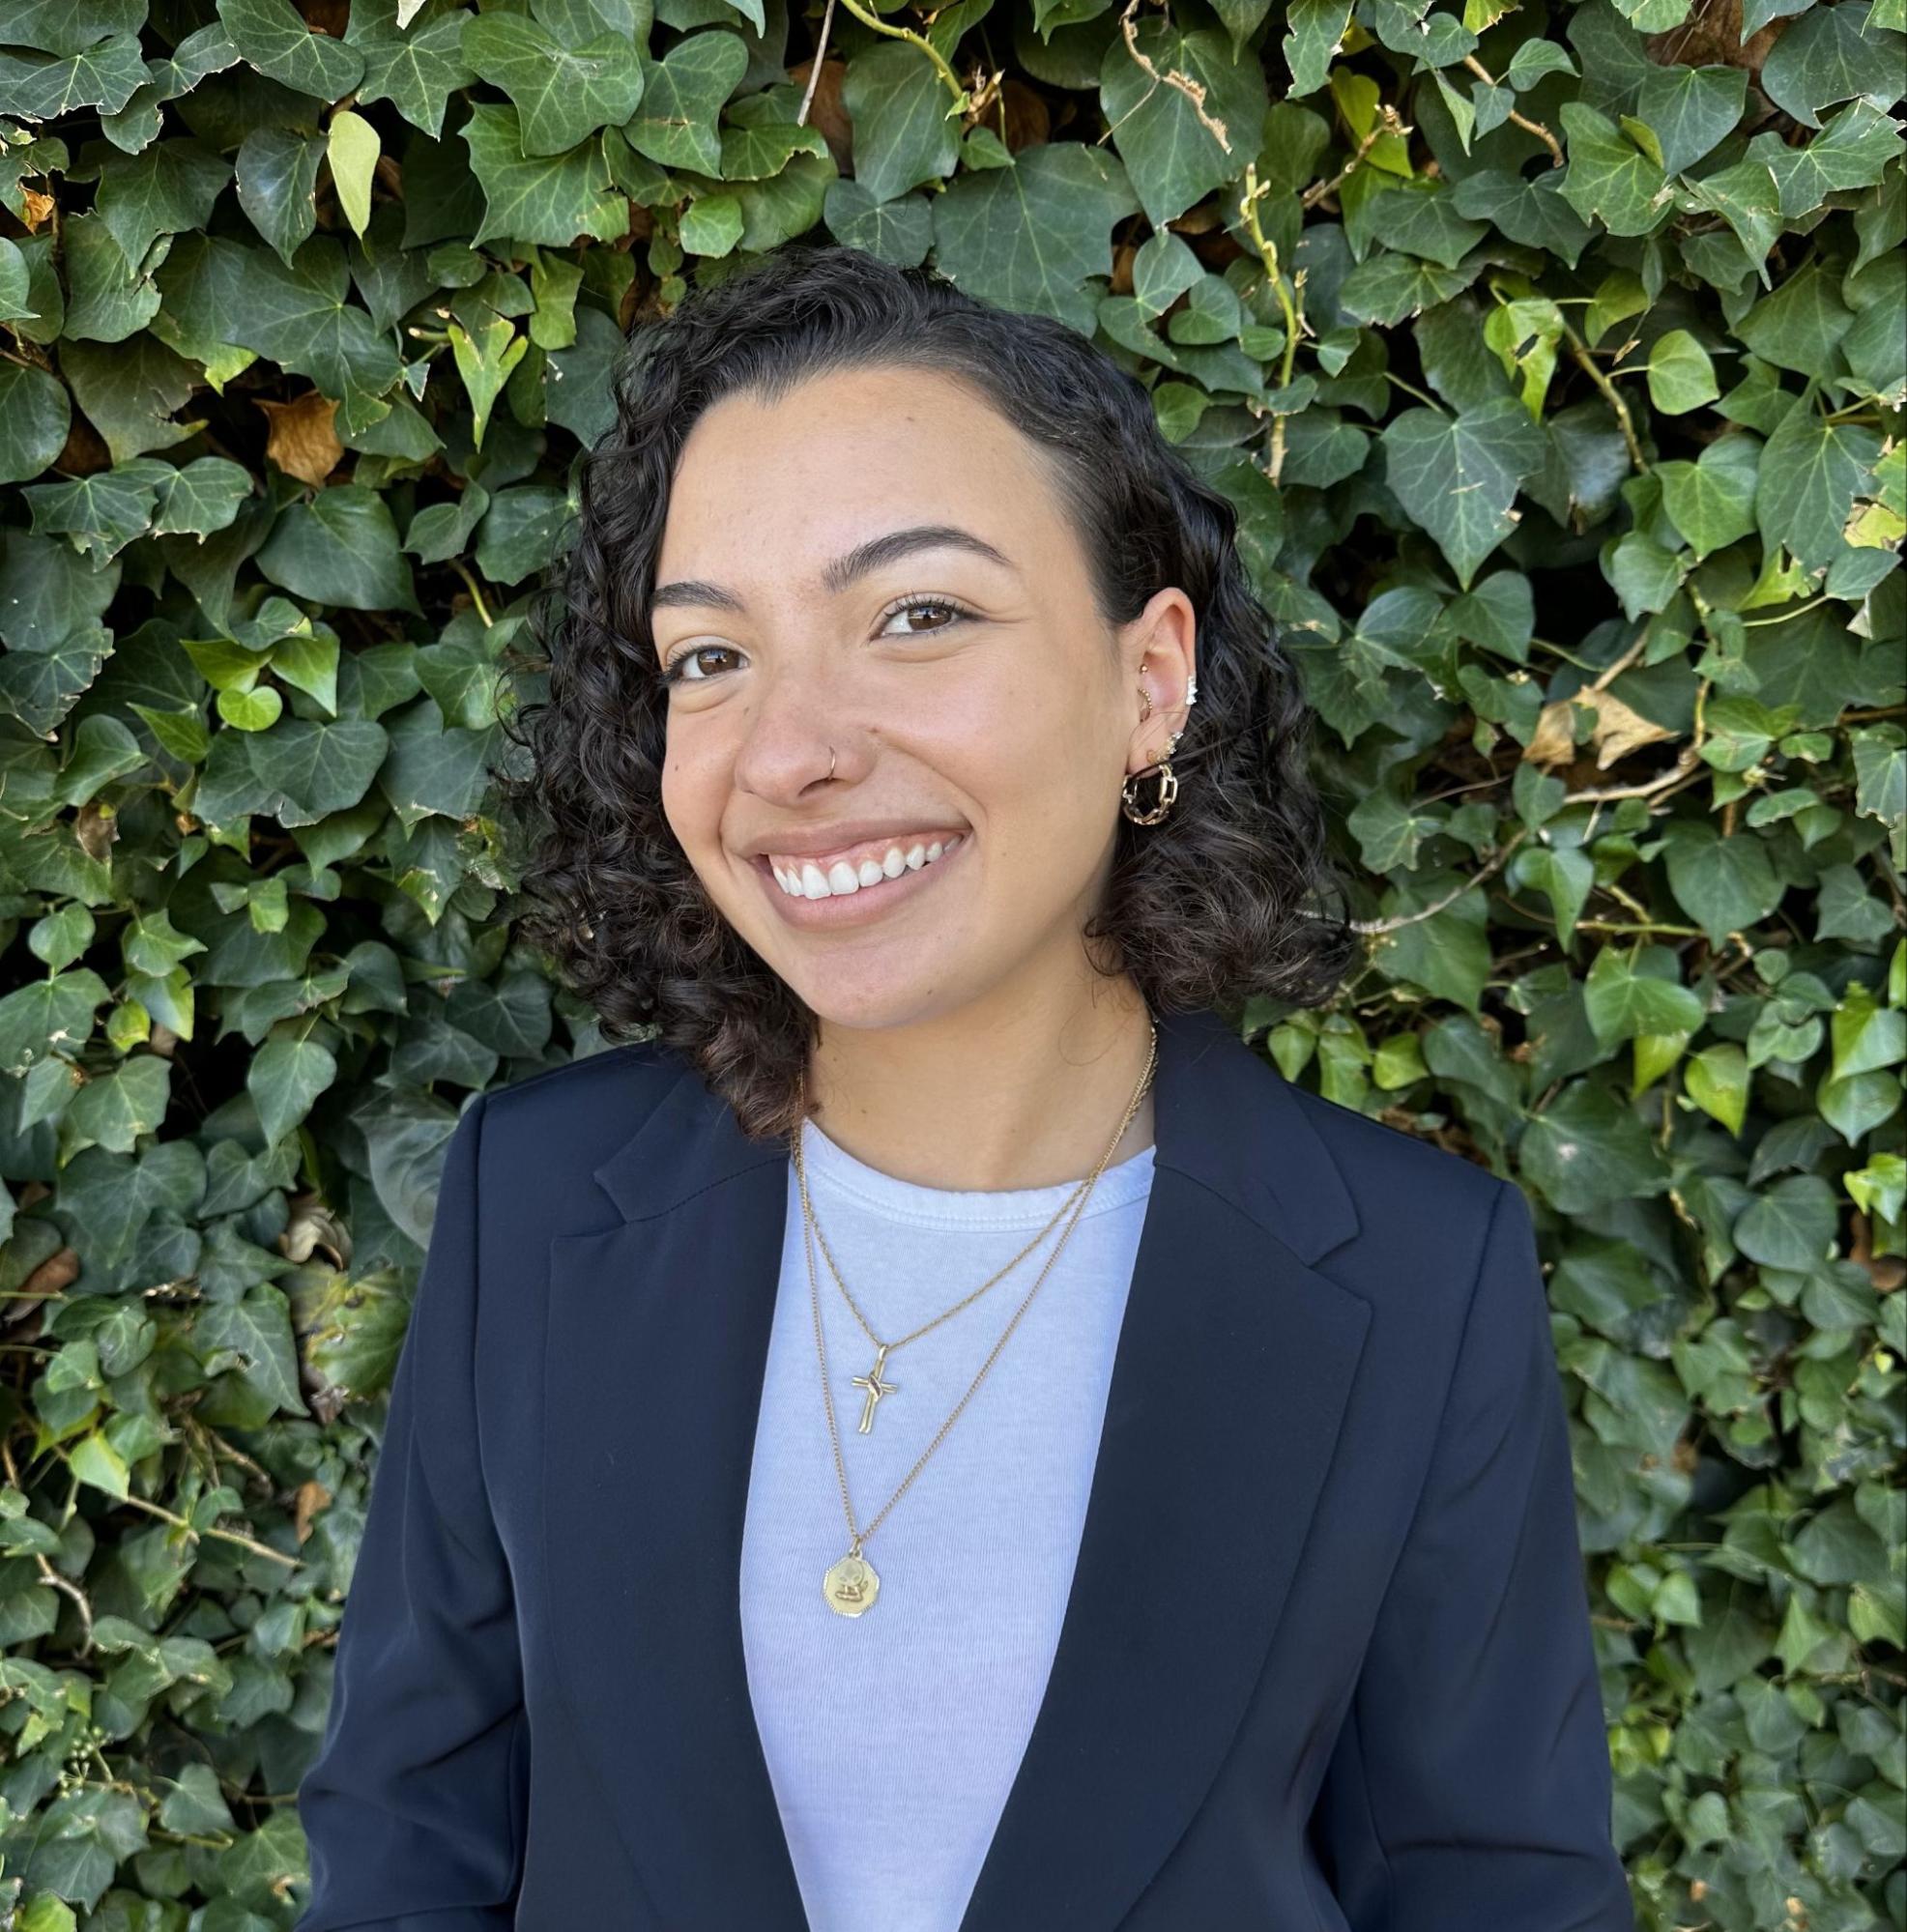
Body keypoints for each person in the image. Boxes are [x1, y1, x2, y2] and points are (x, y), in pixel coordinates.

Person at [293, 242, 1634, 1931]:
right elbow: (407, 1845)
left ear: (1149, 681)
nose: (789, 752)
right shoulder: (537, 1194)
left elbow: (1490, 1890)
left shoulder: (1421, 1273)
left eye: (917, 616)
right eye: (708, 657)